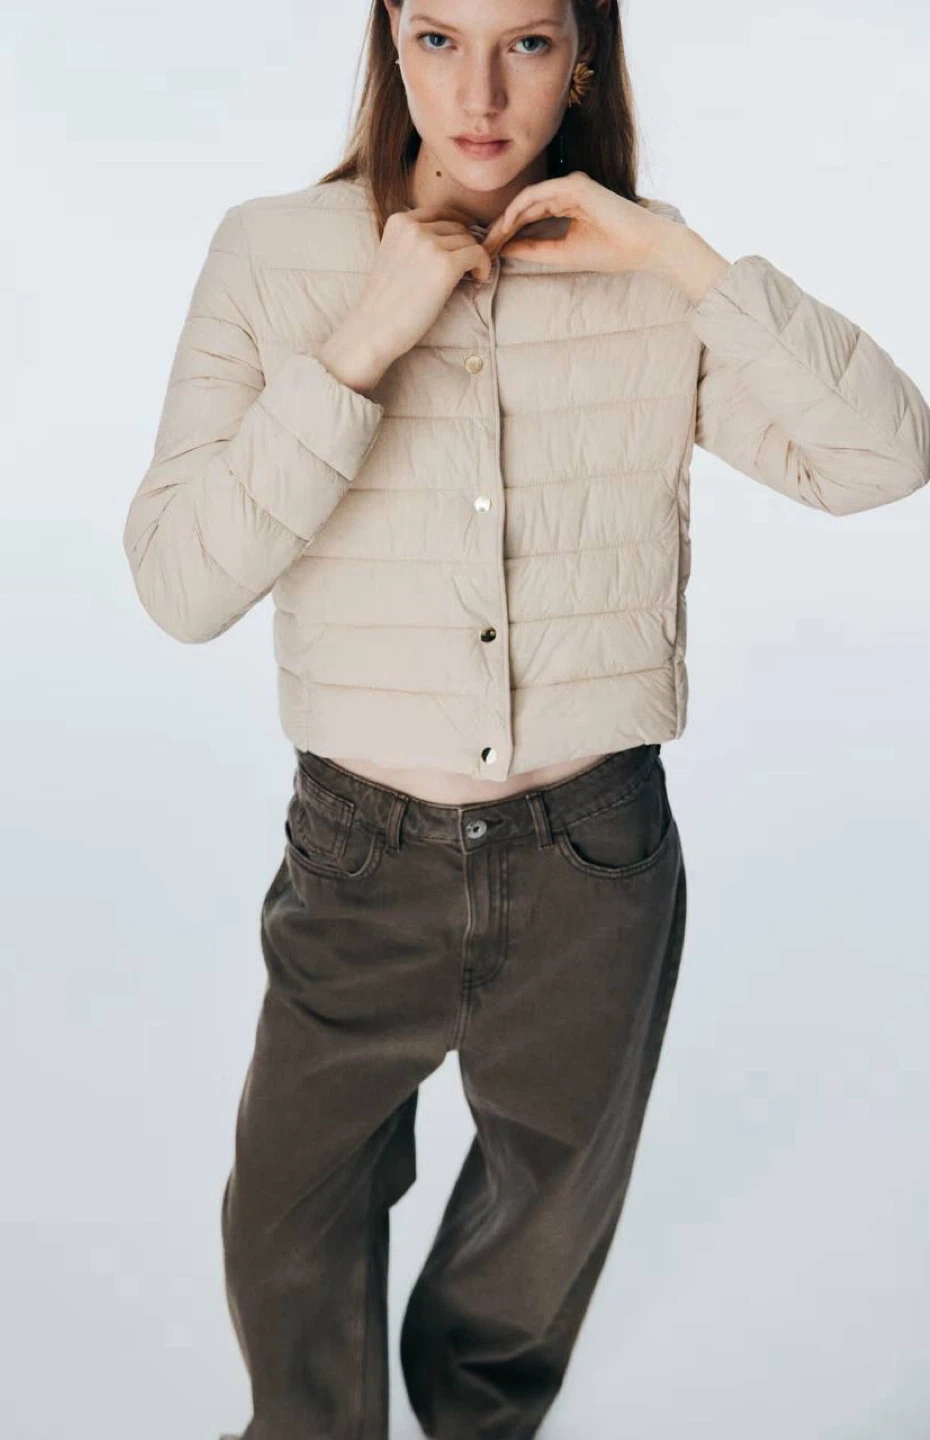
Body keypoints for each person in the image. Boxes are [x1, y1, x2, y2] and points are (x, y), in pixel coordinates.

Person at [122, 1, 930, 1436]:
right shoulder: (272, 253)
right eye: (439, 38)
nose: (480, 93)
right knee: (288, 1230)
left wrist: (678, 260)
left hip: (590, 861)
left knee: (536, 1244)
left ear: (585, 54)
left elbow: (880, 459)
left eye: (529, 44)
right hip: (358, 856)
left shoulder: (647, 267)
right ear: (388, 38)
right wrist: (361, 343)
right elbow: (181, 584)